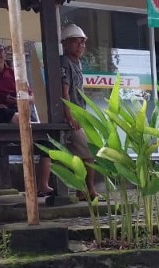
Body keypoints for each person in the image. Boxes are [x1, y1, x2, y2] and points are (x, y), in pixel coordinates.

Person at [0, 38, 54, 196]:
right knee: (6, 113)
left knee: (47, 144)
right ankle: (27, 129)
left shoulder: (14, 73)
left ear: (5, 52)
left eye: (0, 50)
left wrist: (20, 101)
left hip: (19, 109)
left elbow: (31, 97)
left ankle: (43, 185)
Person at [60, 24, 98, 201]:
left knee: (84, 154)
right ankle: (87, 190)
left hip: (80, 112)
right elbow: (64, 90)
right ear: (66, 44)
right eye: (76, 42)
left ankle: (84, 190)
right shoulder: (65, 62)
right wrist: (70, 114)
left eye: (82, 42)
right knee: (87, 152)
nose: (80, 46)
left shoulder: (78, 63)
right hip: (72, 114)